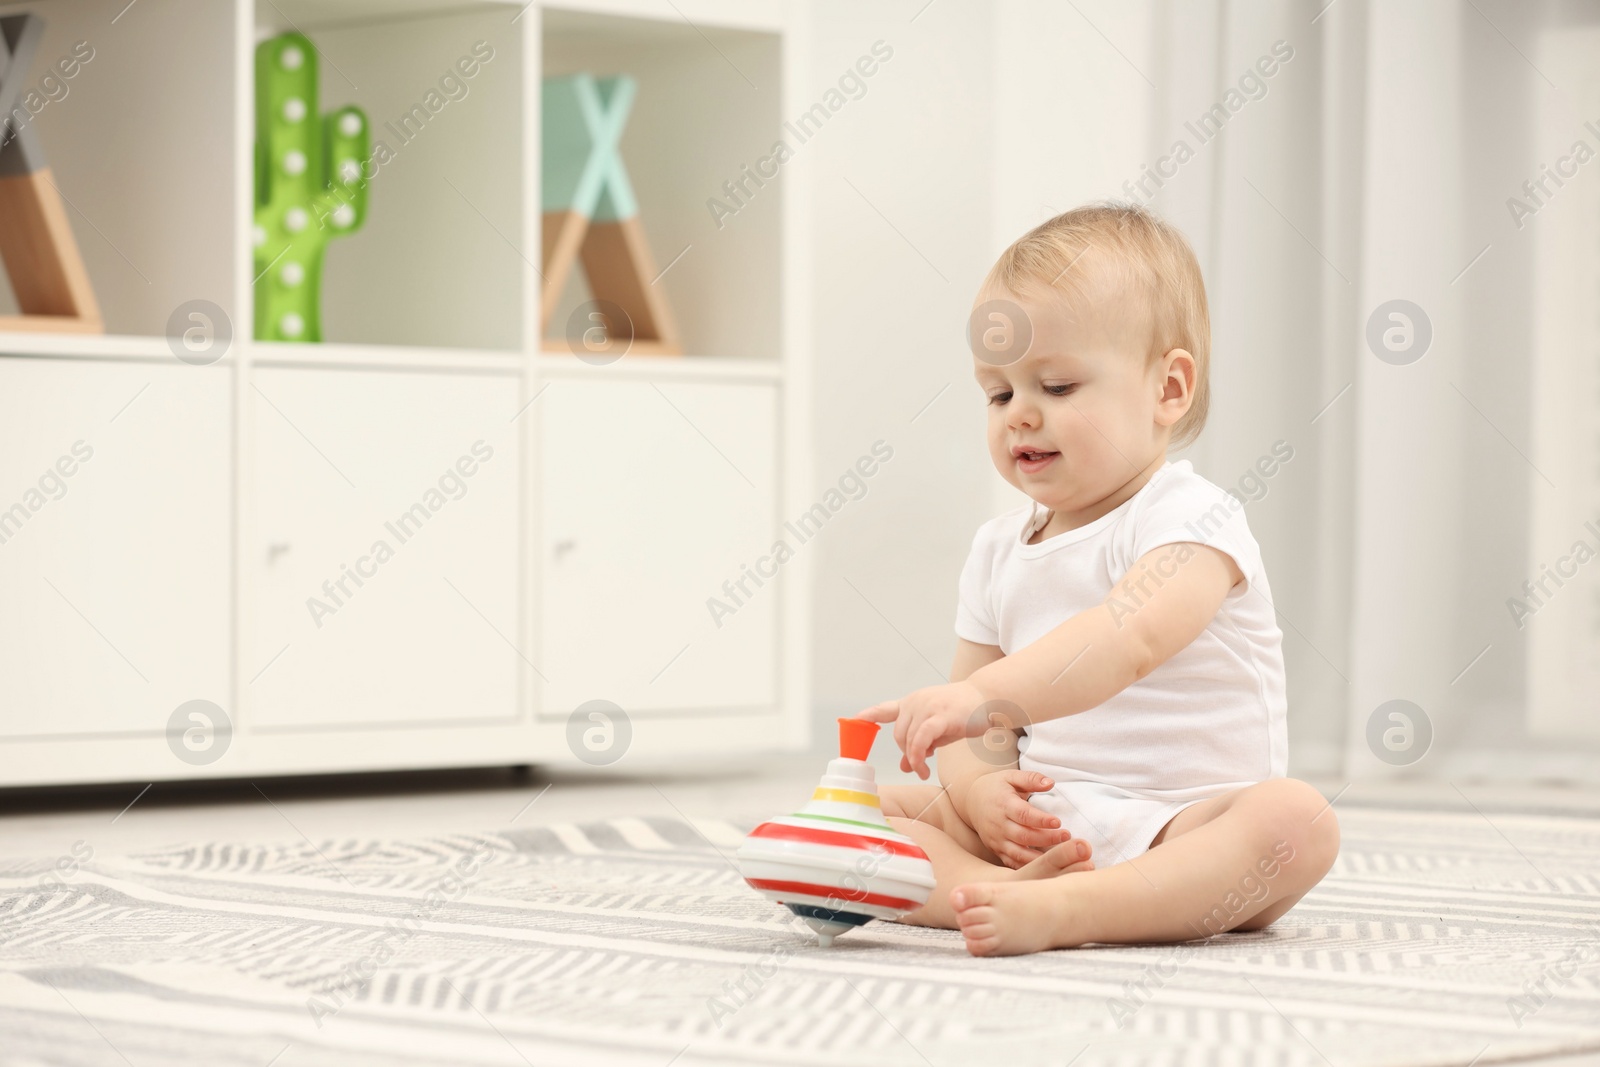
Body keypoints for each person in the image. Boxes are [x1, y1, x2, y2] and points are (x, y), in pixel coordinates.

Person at [857, 202, 1338, 956]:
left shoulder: (1193, 518)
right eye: (999, 392)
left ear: (1168, 389)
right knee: (862, 809)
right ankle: (1004, 895)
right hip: (1052, 821)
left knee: (1296, 821)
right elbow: (977, 729)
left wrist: (980, 700)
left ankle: (1078, 908)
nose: (1020, 414)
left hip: (1185, 829)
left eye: (1055, 385)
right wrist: (983, 794)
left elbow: (1128, 637)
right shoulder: (995, 549)